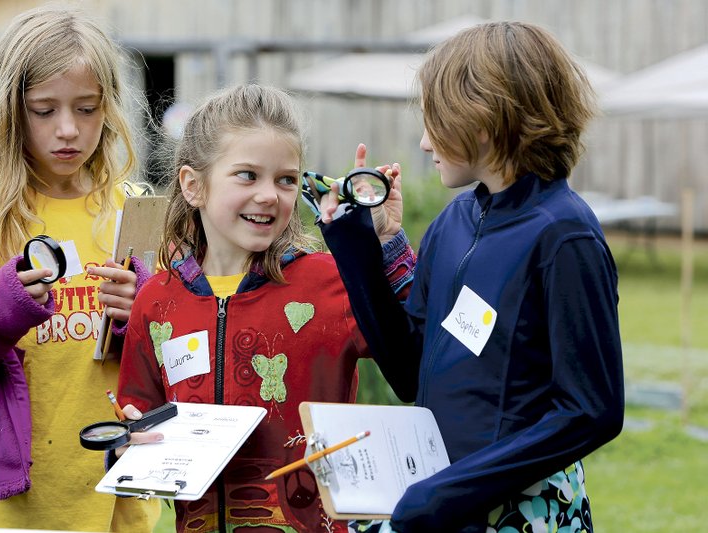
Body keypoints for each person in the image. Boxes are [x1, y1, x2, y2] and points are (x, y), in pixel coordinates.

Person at [319, 22, 624, 532]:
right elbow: (408, 371)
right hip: (445, 501)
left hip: (519, 513)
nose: (421, 142)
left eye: (435, 121)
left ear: (483, 119)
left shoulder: (565, 237)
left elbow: (591, 411)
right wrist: (357, 247)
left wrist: (446, 493)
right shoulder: (455, 222)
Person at [115, 83, 414, 533]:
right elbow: (138, 411)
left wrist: (385, 245)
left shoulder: (330, 281)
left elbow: (412, 347)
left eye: (286, 179)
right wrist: (128, 439)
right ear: (194, 186)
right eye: (248, 176)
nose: (270, 195)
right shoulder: (156, 302)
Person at [0, 7, 160, 532]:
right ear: (10, 112)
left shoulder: (134, 208)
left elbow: (172, 361)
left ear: (109, 108)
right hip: (11, 505)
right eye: (43, 110)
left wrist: (141, 313)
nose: (67, 130)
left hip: (115, 489)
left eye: (86, 109)